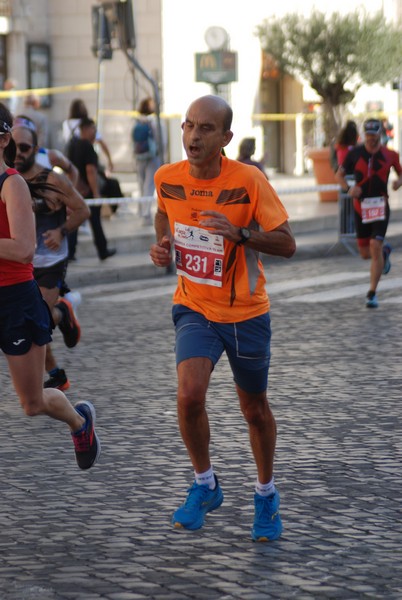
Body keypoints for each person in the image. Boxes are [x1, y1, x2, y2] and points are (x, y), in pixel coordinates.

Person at [149, 95, 296, 541]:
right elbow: (163, 215)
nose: (193, 136)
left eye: (205, 128)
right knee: (189, 396)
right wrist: (163, 246)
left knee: (254, 410)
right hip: (194, 305)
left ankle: (266, 494)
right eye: (189, 126)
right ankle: (205, 484)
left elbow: (287, 242)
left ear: (226, 137)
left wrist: (241, 234)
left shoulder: (248, 181)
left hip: (246, 313)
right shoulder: (166, 178)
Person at [0, 102, 100, 470]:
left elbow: (24, 250)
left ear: (4, 140)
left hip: (15, 298)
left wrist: (61, 230)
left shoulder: (13, 185)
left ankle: (79, 421)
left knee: (31, 403)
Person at [12, 116, 90, 391]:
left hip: (50, 261)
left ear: (36, 148)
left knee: (39, 320)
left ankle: (62, 311)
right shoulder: (8, 179)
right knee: (28, 325)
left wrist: (61, 231)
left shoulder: (52, 180)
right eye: (15, 146)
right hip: (19, 263)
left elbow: (83, 209)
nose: (19, 153)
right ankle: (56, 373)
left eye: (25, 148)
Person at [336, 118, 402, 308]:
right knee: (365, 253)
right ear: (364, 135)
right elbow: (338, 175)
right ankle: (385, 252)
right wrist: (349, 189)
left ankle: (372, 293)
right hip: (360, 208)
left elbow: (401, 173)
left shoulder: (390, 155)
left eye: (375, 135)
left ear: (380, 134)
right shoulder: (354, 153)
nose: (372, 139)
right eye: (369, 135)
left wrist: (398, 182)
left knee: (374, 245)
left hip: (381, 206)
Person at [66, 117, 116, 261]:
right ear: (86, 129)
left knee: (77, 219)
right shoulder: (87, 146)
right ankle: (102, 250)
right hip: (87, 191)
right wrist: (96, 193)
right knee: (95, 220)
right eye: (93, 128)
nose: (95, 132)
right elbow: (90, 171)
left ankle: (71, 251)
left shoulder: (72, 145)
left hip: (76, 189)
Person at [132, 97, 164, 224]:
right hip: (152, 156)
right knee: (149, 185)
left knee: (141, 183)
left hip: (139, 157)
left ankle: (141, 211)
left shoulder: (137, 121)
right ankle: (146, 215)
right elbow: (162, 141)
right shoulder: (156, 121)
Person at [62, 98, 114, 172]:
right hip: (85, 156)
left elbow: (66, 139)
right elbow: (101, 142)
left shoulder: (66, 123)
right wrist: (109, 160)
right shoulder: (87, 124)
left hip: (71, 156)